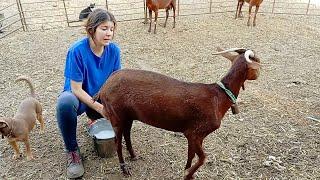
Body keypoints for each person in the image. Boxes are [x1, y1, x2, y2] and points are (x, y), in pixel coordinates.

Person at [56, 9, 121, 179]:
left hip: (101, 96)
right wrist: (101, 108)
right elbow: (76, 89)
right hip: (80, 97)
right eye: (104, 28)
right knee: (64, 103)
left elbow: (115, 82)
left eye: (111, 29)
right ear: (91, 29)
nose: (109, 33)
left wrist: (114, 107)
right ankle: (72, 151)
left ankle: (96, 121)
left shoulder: (114, 51)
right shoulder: (77, 51)